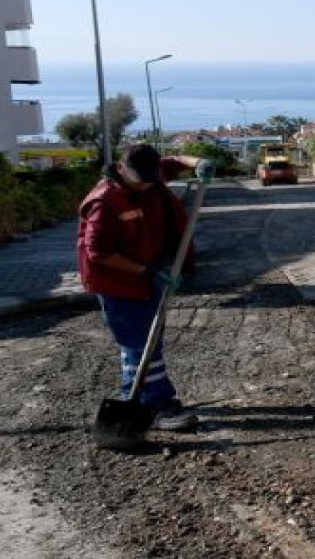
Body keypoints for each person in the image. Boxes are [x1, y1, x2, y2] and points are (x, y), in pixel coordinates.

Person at [77, 143, 214, 431]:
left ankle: (134, 396)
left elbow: (176, 160)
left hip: (148, 275)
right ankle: (157, 405)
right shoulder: (105, 201)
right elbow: (98, 252)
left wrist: (198, 162)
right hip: (118, 281)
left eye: (151, 180)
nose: (145, 187)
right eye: (140, 181)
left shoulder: (149, 173)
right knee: (139, 342)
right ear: (121, 167)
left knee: (145, 341)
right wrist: (148, 271)